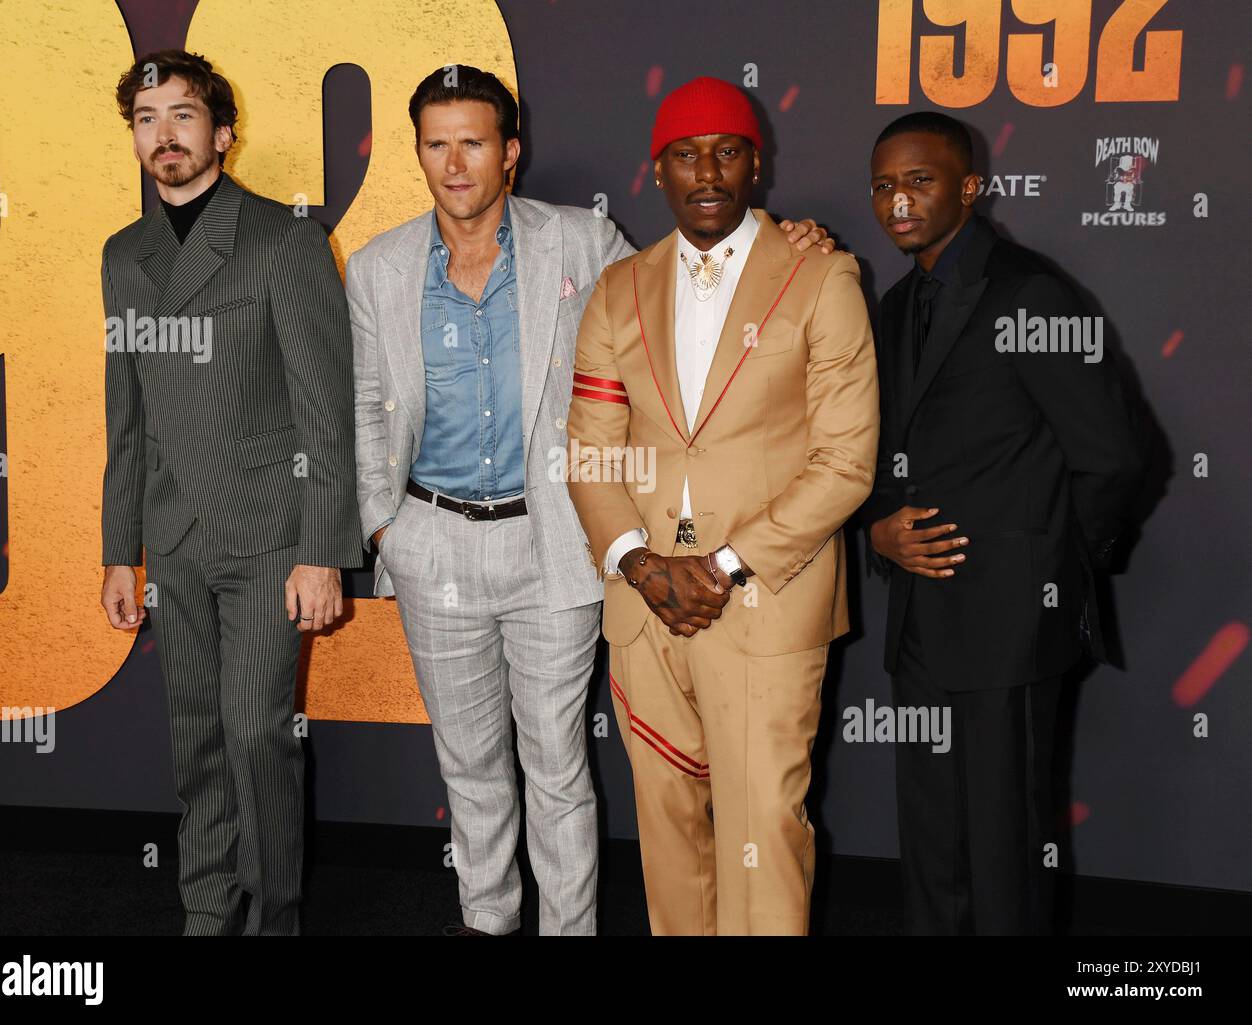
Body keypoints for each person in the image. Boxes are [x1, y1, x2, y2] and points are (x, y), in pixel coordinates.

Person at [347, 66, 831, 936]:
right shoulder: (379, 267)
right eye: (436, 143)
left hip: (556, 544)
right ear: (417, 151)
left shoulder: (582, 241)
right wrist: (386, 526)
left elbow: (686, 294)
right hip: (432, 543)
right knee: (468, 765)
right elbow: (361, 400)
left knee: (559, 763)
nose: (455, 163)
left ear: (511, 152)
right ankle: (488, 920)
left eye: (475, 141)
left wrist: (792, 248)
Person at [566, 76, 879, 935]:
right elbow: (591, 449)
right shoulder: (617, 288)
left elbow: (846, 463)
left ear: (757, 163)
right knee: (666, 824)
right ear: (656, 172)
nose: (707, 171)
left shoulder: (823, 278)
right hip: (645, 604)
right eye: (685, 155)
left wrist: (721, 564)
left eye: (727, 152)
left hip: (766, 600)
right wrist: (639, 561)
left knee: (764, 828)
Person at [99, 49, 360, 935]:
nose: (163, 134)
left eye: (182, 115)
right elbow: (124, 416)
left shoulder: (282, 239)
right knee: (197, 739)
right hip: (173, 537)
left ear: (223, 132)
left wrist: (322, 549)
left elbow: (326, 413)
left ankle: (274, 915)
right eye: (145, 118)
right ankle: (206, 909)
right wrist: (117, 551)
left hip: (268, 534)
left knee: (257, 735)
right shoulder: (123, 256)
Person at [864, 111, 1143, 934]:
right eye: (883, 186)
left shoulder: (1033, 292)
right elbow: (877, 453)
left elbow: (1118, 455)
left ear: (971, 187)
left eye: (919, 181)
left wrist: (1051, 567)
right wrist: (878, 527)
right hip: (919, 625)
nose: (899, 202)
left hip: (1013, 627)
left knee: (1006, 853)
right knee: (933, 849)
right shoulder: (891, 306)